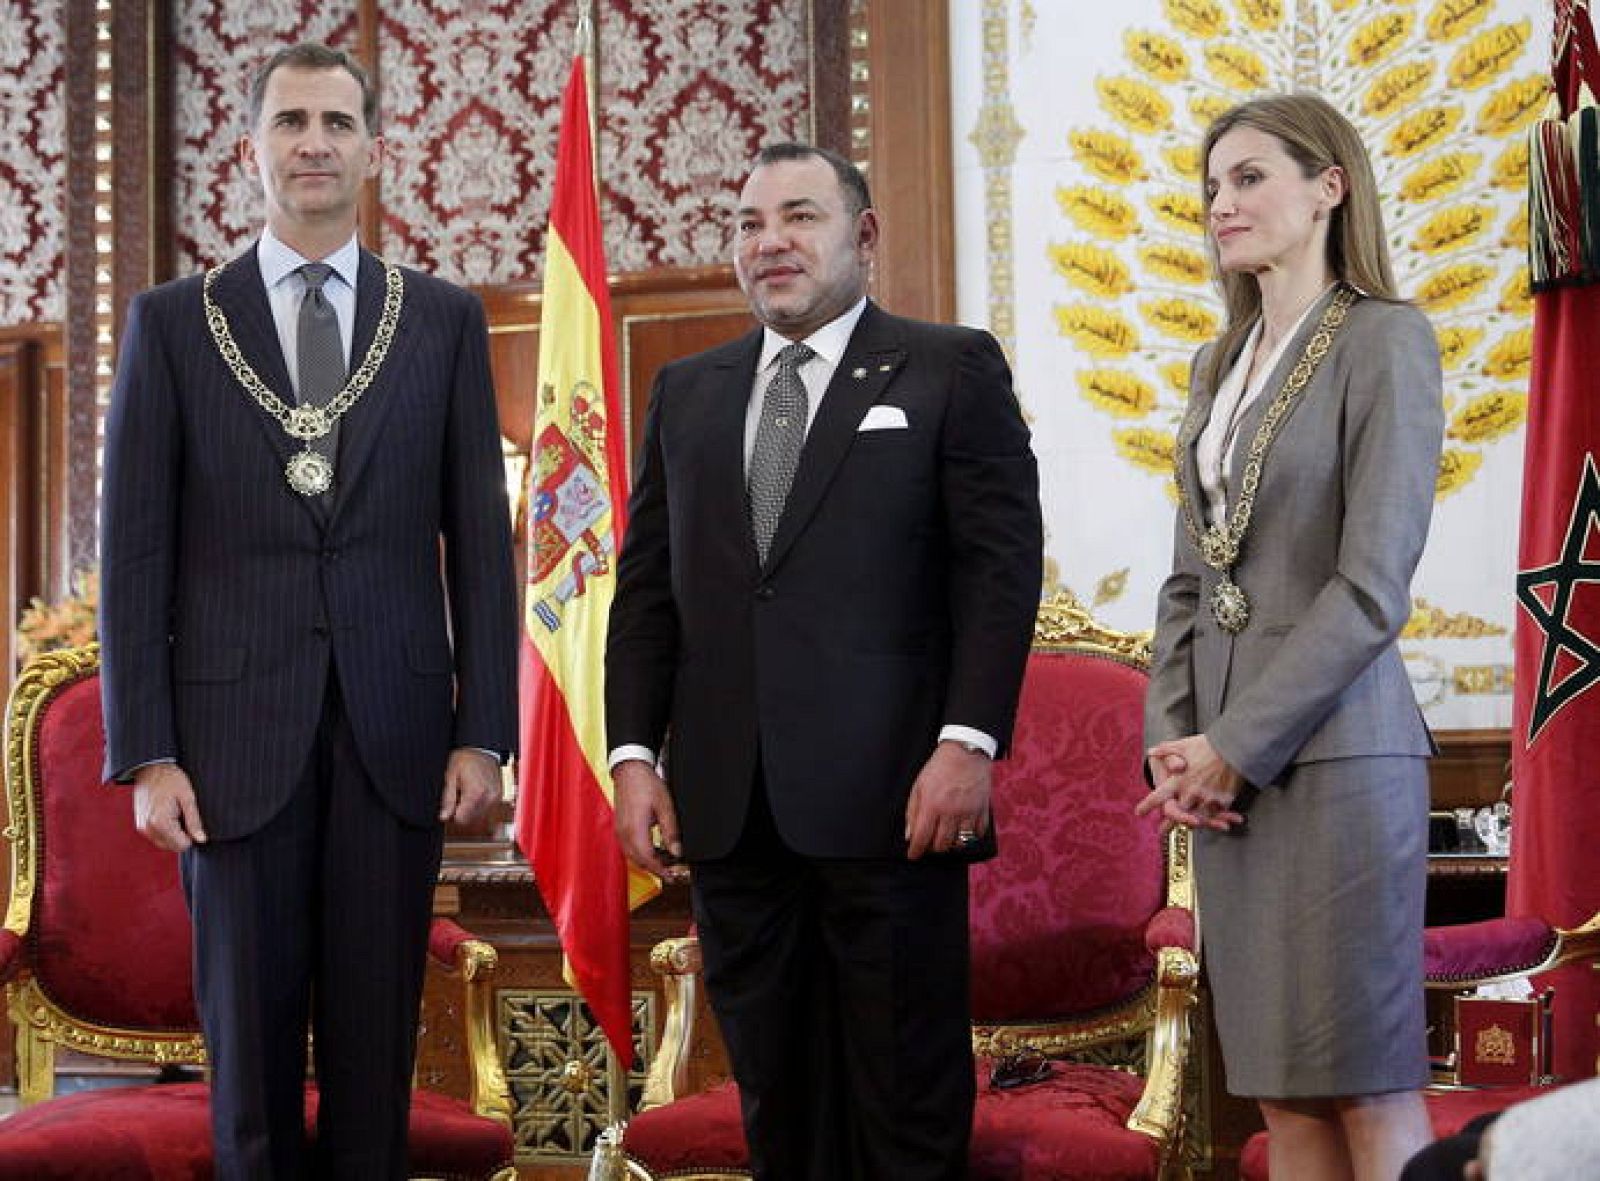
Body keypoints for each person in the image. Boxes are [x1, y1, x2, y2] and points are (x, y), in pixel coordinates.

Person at [98, 42, 517, 1179]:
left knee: (379, 1062)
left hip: (394, 735)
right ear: (252, 149)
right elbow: (132, 553)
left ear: (374, 149)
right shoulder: (174, 324)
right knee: (249, 1065)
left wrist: (484, 725)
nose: (315, 143)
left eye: (337, 122)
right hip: (228, 749)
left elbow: (481, 543)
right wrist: (145, 751)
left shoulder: (440, 320)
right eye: (291, 122)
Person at [605, 142, 1043, 1180]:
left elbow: (998, 570)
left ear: (863, 234)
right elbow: (648, 592)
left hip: (897, 804)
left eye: (799, 217)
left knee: (904, 1107)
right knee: (780, 1108)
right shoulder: (687, 391)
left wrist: (968, 739)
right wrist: (632, 753)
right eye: (751, 224)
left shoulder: (948, 366)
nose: (772, 243)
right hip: (732, 812)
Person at [1138, 93, 1444, 1181]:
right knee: (1280, 1088)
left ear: (1329, 186)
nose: (1223, 203)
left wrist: (1236, 741)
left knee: (1364, 1084)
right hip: (1227, 779)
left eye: (1250, 176)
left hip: (1340, 760)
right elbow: (1187, 577)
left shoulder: (1385, 339)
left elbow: (1371, 587)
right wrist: (1175, 743)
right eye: (1213, 184)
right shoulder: (1212, 366)